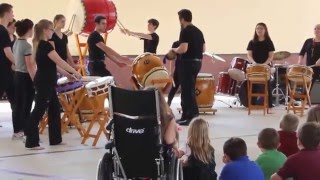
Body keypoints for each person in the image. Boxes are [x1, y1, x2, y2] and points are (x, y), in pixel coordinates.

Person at [25, 19, 82, 150]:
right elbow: (60, 61)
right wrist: (74, 71)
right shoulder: (45, 45)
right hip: (44, 82)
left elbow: (54, 64)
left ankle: (55, 139)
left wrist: (68, 74)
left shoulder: (41, 44)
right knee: (38, 111)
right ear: (45, 30)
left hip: (48, 81)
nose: (52, 32)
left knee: (54, 109)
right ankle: (31, 141)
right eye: (51, 29)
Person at [173, 9, 205, 126]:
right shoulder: (198, 31)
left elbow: (183, 49)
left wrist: (174, 49)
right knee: (189, 89)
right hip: (197, 62)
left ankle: (191, 116)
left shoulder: (185, 31)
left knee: (187, 91)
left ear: (182, 19)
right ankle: (186, 115)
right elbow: (204, 49)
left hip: (187, 63)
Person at [12, 19, 36, 140]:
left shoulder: (16, 42)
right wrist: (35, 81)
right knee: (26, 105)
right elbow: (30, 66)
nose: (33, 31)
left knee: (19, 104)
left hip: (17, 75)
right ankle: (22, 129)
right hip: (25, 77)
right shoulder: (26, 45)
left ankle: (18, 129)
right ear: (28, 30)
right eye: (32, 28)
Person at [247, 22, 275, 111]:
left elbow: (271, 56)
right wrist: (253, 62)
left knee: (267, 84)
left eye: (261, 28)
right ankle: (252, 104)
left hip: (265, 66)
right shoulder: (251, 42)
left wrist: (265, 64)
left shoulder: (269, 42)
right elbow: (249, 55)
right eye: (257, 28)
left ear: (265, 30)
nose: (259, 30)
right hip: (254, 65)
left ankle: (269, 105)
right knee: (253, 84)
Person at [0, 3, 16, 130]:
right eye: (11, 12)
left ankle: (19, 128)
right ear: (6, 13)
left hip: (6, 71)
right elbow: (8, 53)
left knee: (15, 99)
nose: (13, 15)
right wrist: (20, 65)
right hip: (4, 72)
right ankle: (19, 129)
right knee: (15, 100)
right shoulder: (3, 31)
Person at [167, 41, 181, 106]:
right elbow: (172, 58)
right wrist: (171, 71)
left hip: (187, 68)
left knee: (185, 89)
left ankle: (185, 107)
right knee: (174, 87)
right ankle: (168, 104)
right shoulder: (176, 43)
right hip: (179, 68)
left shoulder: (190, 43)